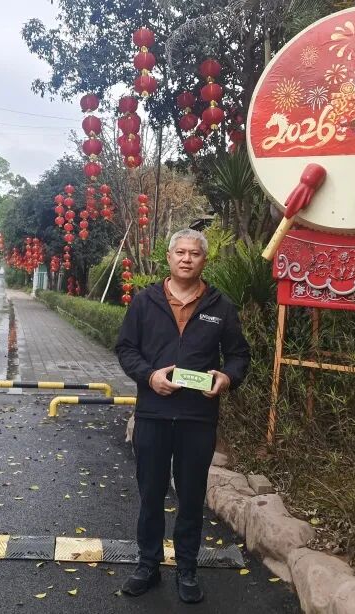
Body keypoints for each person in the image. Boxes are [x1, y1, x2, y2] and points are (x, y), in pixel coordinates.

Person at [115, 228, 250, 604]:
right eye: (180, 252)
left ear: (205, 260)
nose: (187, 258)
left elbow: (239, 355)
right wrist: (149, 376)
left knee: (191, 498)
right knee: (151, 494)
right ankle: (148, 565)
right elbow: (126, 348)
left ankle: (187, 569)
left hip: (197, 417)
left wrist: (226, 378)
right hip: (153, 414)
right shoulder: (144, 302)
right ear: (169, 257)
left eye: (194, 253)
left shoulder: (221, 307)